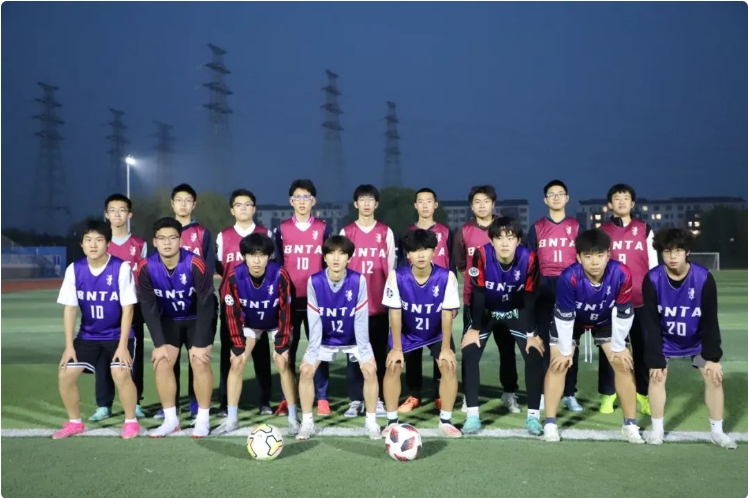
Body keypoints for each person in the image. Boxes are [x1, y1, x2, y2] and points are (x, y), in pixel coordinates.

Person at [543, 228, 644, 444]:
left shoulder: (622, 273)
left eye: (600, 255)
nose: (595, 262)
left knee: (623, 363)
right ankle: (550, 424)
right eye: (588, 256)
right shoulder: (569, 277)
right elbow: (564, 318)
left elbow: (624, 313)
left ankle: (630, 425)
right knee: (558, 364)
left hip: (606, 320)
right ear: (578, 258)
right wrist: (565, 351)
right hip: (572, 321)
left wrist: (619, 347)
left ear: (608, 254)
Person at [642, 228, 737, 449]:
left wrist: (712, 357)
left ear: (687, 252)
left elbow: (710, 320)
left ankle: (717, 432)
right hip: (666, 339)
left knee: (714, 377)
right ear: (661, 253)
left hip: (696, 339)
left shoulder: (703, 278)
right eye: (667, 251)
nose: (672, 256)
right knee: (656, 377)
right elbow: (651, 322)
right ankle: (657, 431)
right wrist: (655, 358)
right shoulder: (652, 279)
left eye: (678, 250)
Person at [53, 220, 139, 439]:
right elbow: (70, 309)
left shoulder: (121, 268)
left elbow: (128, 309)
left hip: (118, 335)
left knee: (120, 373)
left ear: (108, 244)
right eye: (88, 240)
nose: (93, 245)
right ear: (81, 244)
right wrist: (69, 346)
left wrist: (122, 346)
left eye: (99, 240)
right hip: (88, 335)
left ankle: (131, 422)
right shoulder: (75, 269)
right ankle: (75, 423)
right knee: (65, 374)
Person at [462, 217, 545, 435]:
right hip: (487, 310)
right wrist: (474, 328)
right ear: (492, 241)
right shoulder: (481, 254)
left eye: (510, 237)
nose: (505, 243)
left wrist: (531, 332)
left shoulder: (529, 258)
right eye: (499, 238)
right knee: (469, 351)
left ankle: (533, 417)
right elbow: (479, 293)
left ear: (518, 240)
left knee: (534, 352)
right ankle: (472, 416)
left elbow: (529, 296)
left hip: (516, 309)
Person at [213, 233, 300, 435]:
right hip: (250, 323)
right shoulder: (235, 276)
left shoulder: (280, 274)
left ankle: (293, 417)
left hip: (276, 322)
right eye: (252, 255)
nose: (257, 260)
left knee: (282, 361)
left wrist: (281, 344)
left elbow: (287, 312)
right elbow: (231, 313)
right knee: (237, 361)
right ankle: (231, 419)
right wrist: (237, 345)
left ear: (269, 256)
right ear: (244, 256)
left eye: (261, 255)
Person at [295, 236, 381, 440]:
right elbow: (314, 319)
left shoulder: (358, 280)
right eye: (331, 253)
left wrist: (364, 352)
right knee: (306, 371)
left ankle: (371, 423)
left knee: (370, 370)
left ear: (349, 258)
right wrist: (313, 351)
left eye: (341, 254)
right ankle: (307, 424)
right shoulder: (315, 281)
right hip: (325, 338)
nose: (336, 258)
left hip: (353, 338)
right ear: (324, 257)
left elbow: (361, 318)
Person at [137, 217, 216, 438]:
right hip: (169, 319)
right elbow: (148, 306)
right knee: (162, 362)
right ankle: (171, 420)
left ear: (180, 241)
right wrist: (159, 344)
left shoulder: (195, 263)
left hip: (198, 317)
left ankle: (203, 420)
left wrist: (200, 343)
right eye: (162, 238)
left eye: (172, 238)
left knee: (199, 361)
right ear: (154, 242)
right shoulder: (146, 267)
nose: (167, 242)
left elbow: (206, 302)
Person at [381, 229, 462, 438]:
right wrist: (396, 348)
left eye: (425, 249)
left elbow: (447, 314)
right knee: (393, 366)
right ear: (408, 254)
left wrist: (445, 348)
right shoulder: (396, 277)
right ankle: (391, 421)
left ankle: (446, 421)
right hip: (407, 332)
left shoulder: (447, 277)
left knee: (448, 366)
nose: (421, 254)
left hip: (436, 331)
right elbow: (395, 314)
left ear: (434, 251)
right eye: (415, 250)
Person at [152, 184, 217, 420]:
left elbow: (208, 268)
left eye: (187, 200)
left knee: (197, 358)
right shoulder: (163, 232)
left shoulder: (202, 233)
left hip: (196, 305)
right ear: (172, 203)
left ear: (194, 204)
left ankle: (195, 402)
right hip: (170, 307)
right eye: (179, 200)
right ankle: (170, 405)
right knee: (168, 358)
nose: (183, 204)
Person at [453, 185, 520, 415]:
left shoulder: (504, 228)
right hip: (475, 301)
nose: (482, 206)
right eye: (477, 202)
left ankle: (509, 393)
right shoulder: (464, 231)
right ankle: (469, 395)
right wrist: (480, 283)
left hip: (504, 299)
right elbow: (462, 265)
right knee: (471, 350)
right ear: (471, 206)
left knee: (507, 349)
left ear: (493, 204)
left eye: (486, 201)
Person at [598, 184, 658, 415]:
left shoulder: (644, 229)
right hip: (612, 302)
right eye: (617, 198)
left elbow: (653, 265)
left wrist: (655, 296)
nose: (622, 201)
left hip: (641, 300)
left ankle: (643, 394)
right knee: (611, 350)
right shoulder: (602, 231)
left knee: (642, 349)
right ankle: (608, 394)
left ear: (632, 203)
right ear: (610, 204)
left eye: (626, 198)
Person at [273, 179, 332, 416]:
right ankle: (287, 398)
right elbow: (277, 265)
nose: (302, 202)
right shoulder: (282, 229)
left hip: (316, 299)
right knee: (287, 349)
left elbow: (329, 262)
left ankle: (323, 397)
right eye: (297, 197)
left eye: (306, 197)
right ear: (291, 201)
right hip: (289, 300)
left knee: (319, 348)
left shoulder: (323, 228)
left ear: (313, 201)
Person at [86, 193, 147, 423]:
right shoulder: (100, 243)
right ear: (106, 214)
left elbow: (143, 277)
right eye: (113, 210)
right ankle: (104, 404)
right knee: (103, 356)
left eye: (122, 210)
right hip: (104, 307)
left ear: (129, 214)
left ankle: (135, 402)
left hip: (133, 307)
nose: (117, 214)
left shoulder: (139, 244)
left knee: (133, 356)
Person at [524, 180, 582, 412]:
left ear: (567, 198)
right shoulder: (537, 227)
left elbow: (583, 260)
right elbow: (530, 262)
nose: (556, 197)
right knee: (544, 343)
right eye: (551, 194)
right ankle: (542, 393)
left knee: (570, 343)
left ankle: (569, 393)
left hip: (570, 289)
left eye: (560, 194)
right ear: (545, 200)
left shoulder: (576, 227)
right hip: (543, 289)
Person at [397, 187, 455, 413]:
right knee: (413, 349)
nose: (424, 205)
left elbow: (451, 265)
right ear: (415, 206)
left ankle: (441, 394)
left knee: (442, 346)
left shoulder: (445, 232)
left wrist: (452, 302)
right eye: (420, 201)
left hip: (438, 299)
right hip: (413, 299)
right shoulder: (408, 232)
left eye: (429, 201)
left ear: (435, 205)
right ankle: (414, 395)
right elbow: (402, 266)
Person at [340, 184, 395, 418]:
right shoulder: (347, 232)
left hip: (379, 305)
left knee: (379, 354)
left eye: (370, 200)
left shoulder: (385, 232)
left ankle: (378, 398)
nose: (366, 204)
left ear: (376, 204)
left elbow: (390, 269)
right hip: (353, 306)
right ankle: (356, 400)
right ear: (355, 204)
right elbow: (339, 268)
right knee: (354, 355)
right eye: (362, 200)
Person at [216, 189, 273, 416]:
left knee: (261, 355)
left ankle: (265, 401)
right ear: (232, 210)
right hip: (231, 303)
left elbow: (272, 266)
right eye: (238, 205)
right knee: (227, 355)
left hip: (259, 304)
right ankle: (225, 402)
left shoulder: (265, 233)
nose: (243, 208)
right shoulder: (223, 236)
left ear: (254, 209)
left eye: (248, 204)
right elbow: (220, 267)